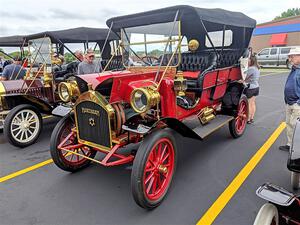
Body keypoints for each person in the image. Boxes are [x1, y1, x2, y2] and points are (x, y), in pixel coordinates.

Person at [279, 47, 300, 151]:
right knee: (289, 124)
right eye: (290, 56)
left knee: (296, 126)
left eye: (292, 56)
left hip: (296, 103)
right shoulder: (294, 69)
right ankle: (290, 144)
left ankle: (295, 148)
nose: (290, 59)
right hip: (289, 102)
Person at [244, 54, 260, 124]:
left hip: (251, 88)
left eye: (248, 60)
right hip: (256, 87)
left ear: (252, 61)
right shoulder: (257, 68)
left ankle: (247, 119)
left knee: (249, 104)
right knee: (253, 103)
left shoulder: (251, 69)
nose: (247, 61)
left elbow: (244, 77)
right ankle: (251, 118)